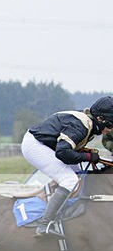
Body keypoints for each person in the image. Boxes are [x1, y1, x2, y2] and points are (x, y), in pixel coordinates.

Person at [22, 95, 113, 238]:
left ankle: (63, 212)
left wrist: (87, 154)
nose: (110, 129)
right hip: (35, 146)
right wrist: (88, 157)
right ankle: (43, 225)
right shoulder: (82, 126)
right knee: (69, 180)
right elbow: (62, 152)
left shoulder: (89, 122)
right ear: (100, 119)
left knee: (78, 175)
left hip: (49, 145)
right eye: (110, 125)